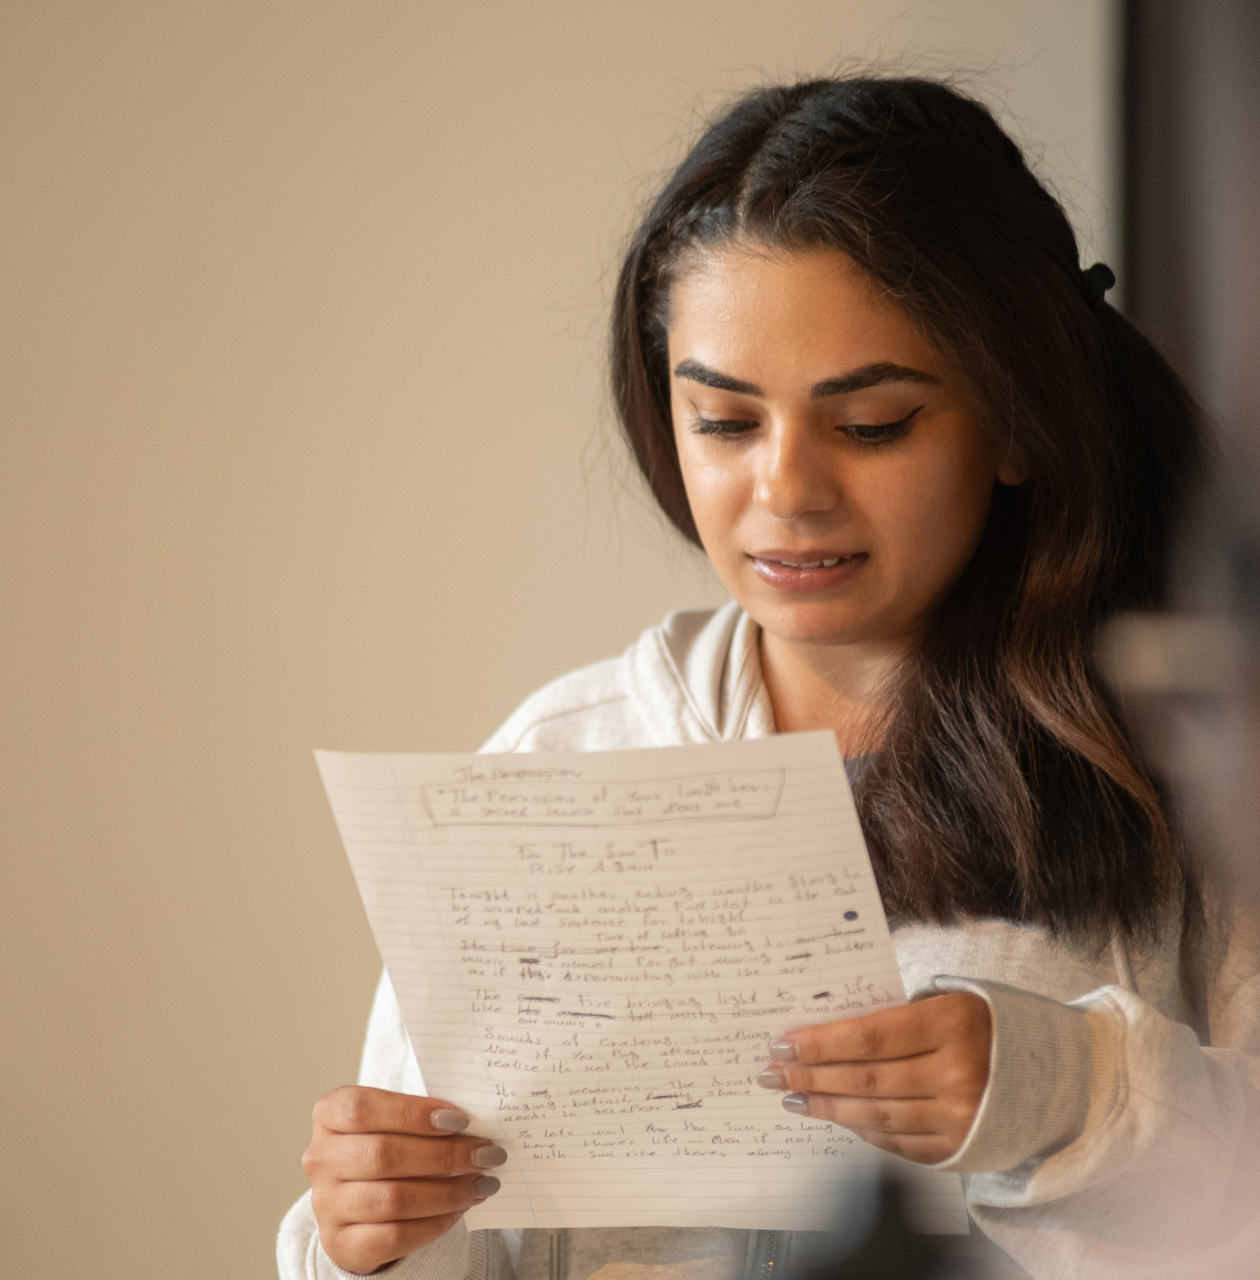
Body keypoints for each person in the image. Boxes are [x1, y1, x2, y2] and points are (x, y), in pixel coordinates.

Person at [278, 77, 1260, 1280]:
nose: (788, 492)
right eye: (727, 423)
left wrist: (1072, 1095)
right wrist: (361, 1237)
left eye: (874, 423)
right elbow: (459, 1227)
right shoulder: (564, 758)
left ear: (1016, 422)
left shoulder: (1180, 752)